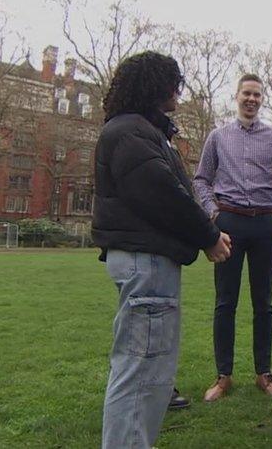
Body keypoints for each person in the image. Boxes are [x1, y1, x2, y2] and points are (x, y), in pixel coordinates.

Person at [92, 51, 232, 449]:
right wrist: (208, 235)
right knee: (141, 375)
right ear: (156, 85)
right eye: (174, 82)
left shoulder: (137, 131)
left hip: (146, 262)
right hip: (146, 264)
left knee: (147, 372)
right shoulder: (131, 133)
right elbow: (162, 194)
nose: (178, 90)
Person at [194, 73, 272, 402]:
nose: (252, 99)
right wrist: (214, 214)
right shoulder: (218, 137)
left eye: (257, 95)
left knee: (264, 302)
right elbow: (201, 179)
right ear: (236, 96)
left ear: (262, 99)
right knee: (225, 302)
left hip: (265, 224)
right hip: (229, 224)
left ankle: (264, 373)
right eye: (246, 93)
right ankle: (223, 376)